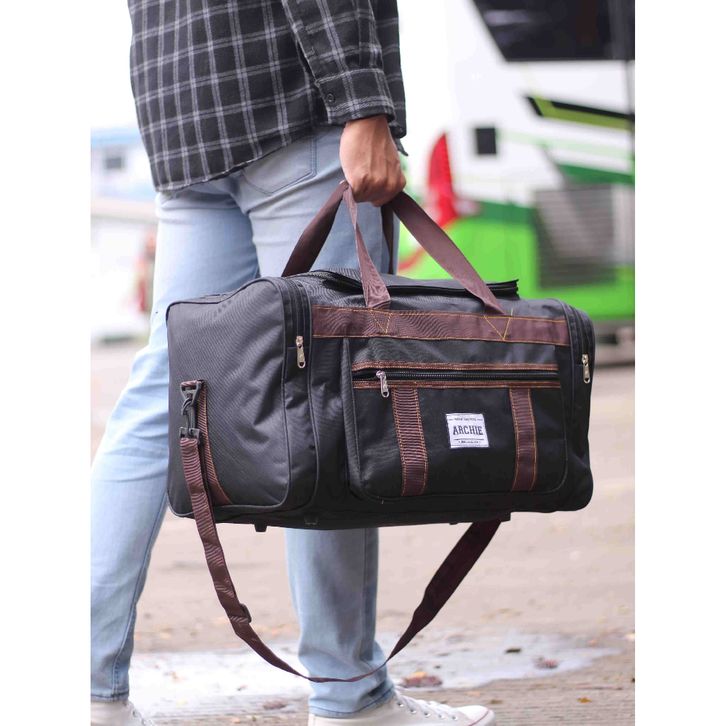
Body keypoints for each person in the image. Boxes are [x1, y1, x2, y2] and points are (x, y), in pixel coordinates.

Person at [91, 2, 497, 725]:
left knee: (167, 394)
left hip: (185, 115)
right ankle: (350, 695)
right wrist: (363, 103)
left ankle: (86, 685)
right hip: (292, 99)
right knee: (331, 390)